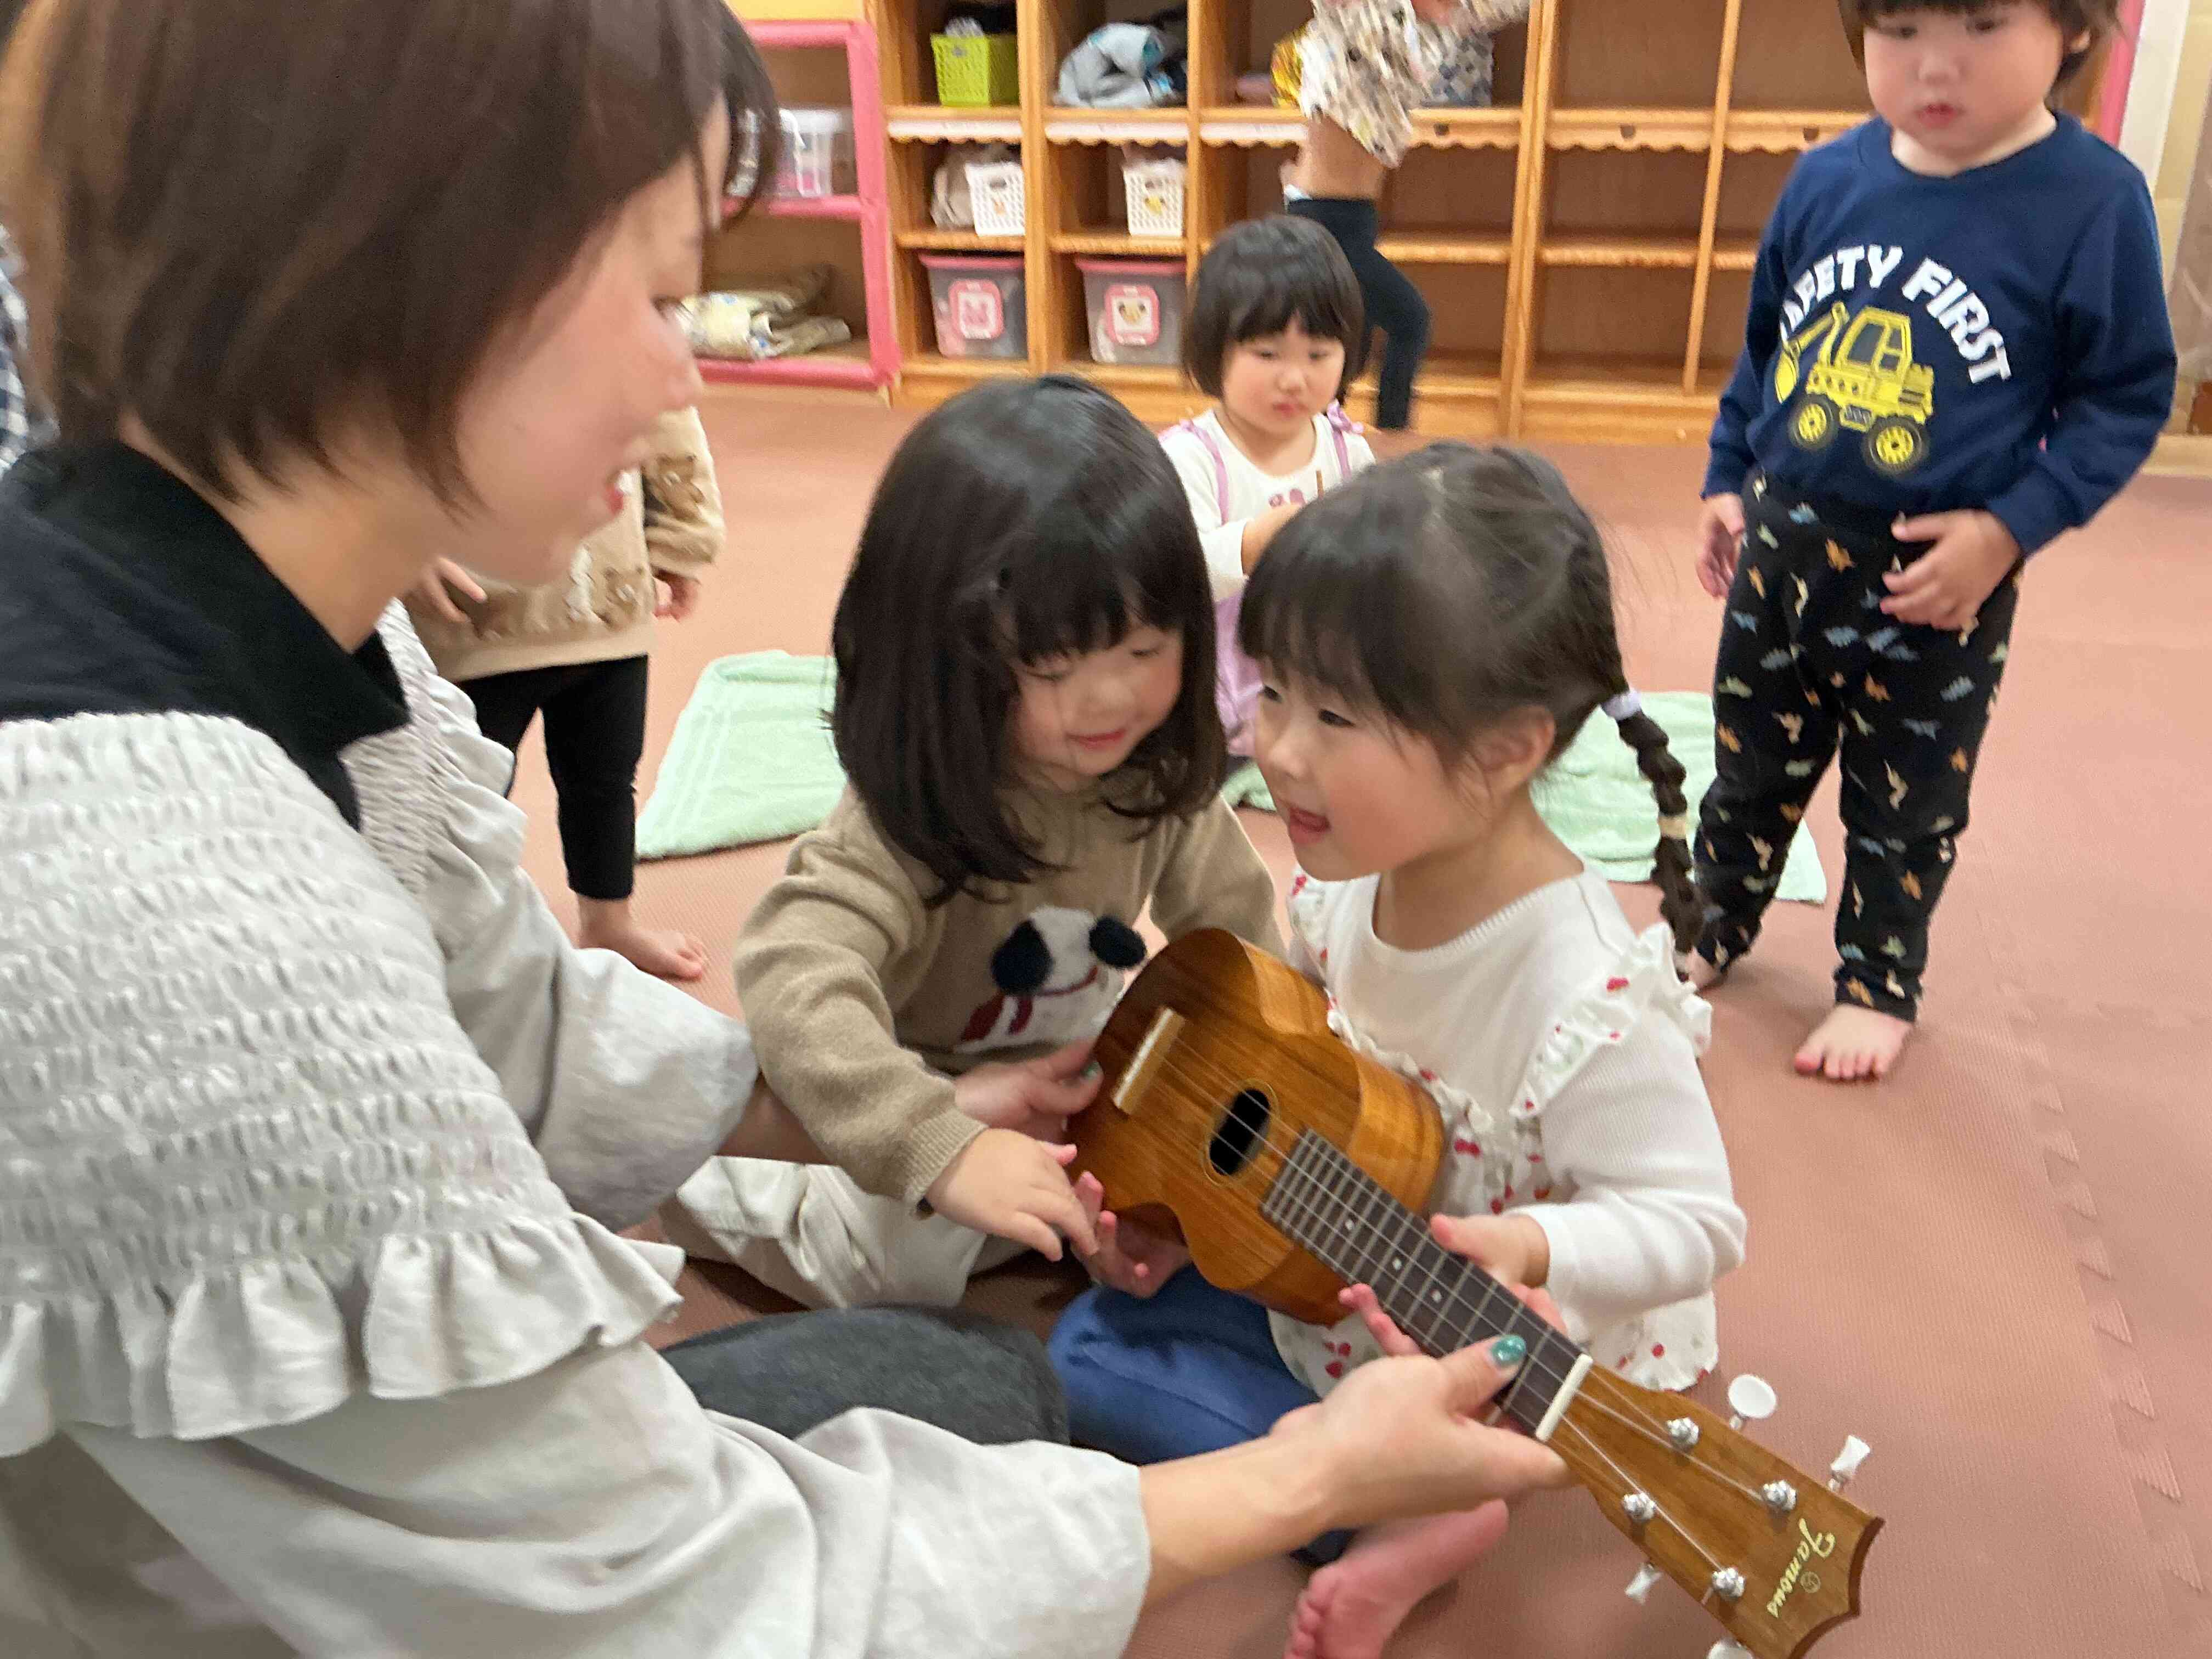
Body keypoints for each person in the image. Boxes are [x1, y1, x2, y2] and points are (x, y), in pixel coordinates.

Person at [0, 4, 1578, 1654]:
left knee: (960, 1393)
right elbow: (680, 1605)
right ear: (427, 274)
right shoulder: (168, 921)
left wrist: (939, 1115)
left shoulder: (312, 645)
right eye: (667, 291)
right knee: (966, 1396)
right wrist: (1301, 1471)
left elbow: (518, 1033)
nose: (692, 371)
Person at [1051, 445, 1748, 1659]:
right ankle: (1386, 1484)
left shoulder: (1587, 991)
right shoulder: (1352, 887)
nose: (1279, 749)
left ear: (1504, 752)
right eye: (1270, 693)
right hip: (1339, 1240)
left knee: (1094, 1379)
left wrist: (1533, 1240)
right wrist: (1179, 1191)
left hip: (1487, 1330)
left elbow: (1698, 1223)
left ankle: (1436, 1504)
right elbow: (1296, 1045)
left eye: (1334, 716)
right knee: (1088, 1332)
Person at [667, 375, 1283, 1309]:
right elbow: (792, 971)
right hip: (908, 1086)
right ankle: (685, 1162)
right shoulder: (911, 815)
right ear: (950, 658)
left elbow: (1242, 939)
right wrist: (935, 1136)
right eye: (1052, 665)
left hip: (1065, 1082)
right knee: (894, 1269)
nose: (1110, 698)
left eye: (1145, 650)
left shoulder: (1156, 781)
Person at [1688, 0, 2177, 1081]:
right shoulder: (1827, 179)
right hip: (1784, 552)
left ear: (2077, 32)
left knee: (1905, 798)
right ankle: (1712, 923)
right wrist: (1728, 475)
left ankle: (1876, 983)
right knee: (1747, 765)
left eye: (1984, 26)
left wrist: (2011, 530)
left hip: (1936, 574)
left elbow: (2124, 399)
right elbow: (1769, 348)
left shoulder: (2092, 203)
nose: (1934, 66)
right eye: (1900, 30)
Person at [406, 403, 724, 980]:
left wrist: (682, 539)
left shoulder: (624, 319)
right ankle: (454, 939)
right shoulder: (419, 317)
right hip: (470, 614)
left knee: (603, 778)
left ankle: (609, 923)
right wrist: (400, 540)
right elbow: (367, 422)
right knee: (463, 794)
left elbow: (667, 412)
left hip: (608, 606)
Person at [1163, 215, 1374, 759]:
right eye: (1267, 354)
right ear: (1215, 354)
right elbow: (1173, 571)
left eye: (1318, 355)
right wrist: (1254, 545)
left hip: (1315, 663)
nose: (1294, 378)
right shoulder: (1193, 456)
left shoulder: (1347, 450)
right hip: (1218, 675)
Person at [1284, 0, 1530, 430]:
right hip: (1321, 222)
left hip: (1354, 219)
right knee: (1408, 320)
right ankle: (1390, 440)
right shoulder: (1357, 13)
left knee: (1348, 345)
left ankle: (1328, 441)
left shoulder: (1438, 27)